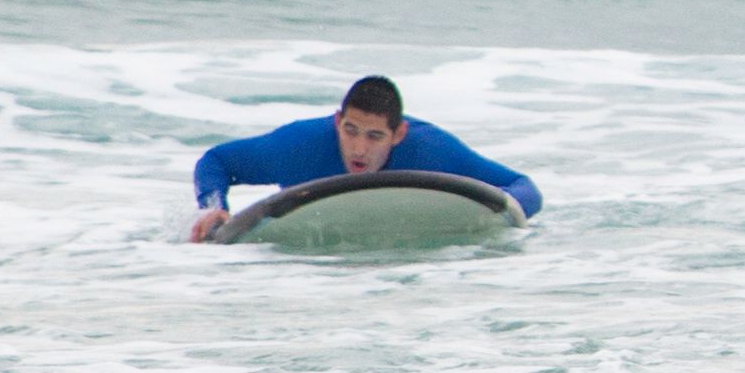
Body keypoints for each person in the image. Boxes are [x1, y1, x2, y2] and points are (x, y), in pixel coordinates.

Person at [189, 75, 545, 237]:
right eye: (350, 131)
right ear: (337, 121)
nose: (359, 149)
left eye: (375, 136)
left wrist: (490, 223)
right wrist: (213, 207)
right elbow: (216, 161)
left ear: (398, 134)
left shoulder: (429, 150)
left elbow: (523, 189)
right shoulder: (302, 144)